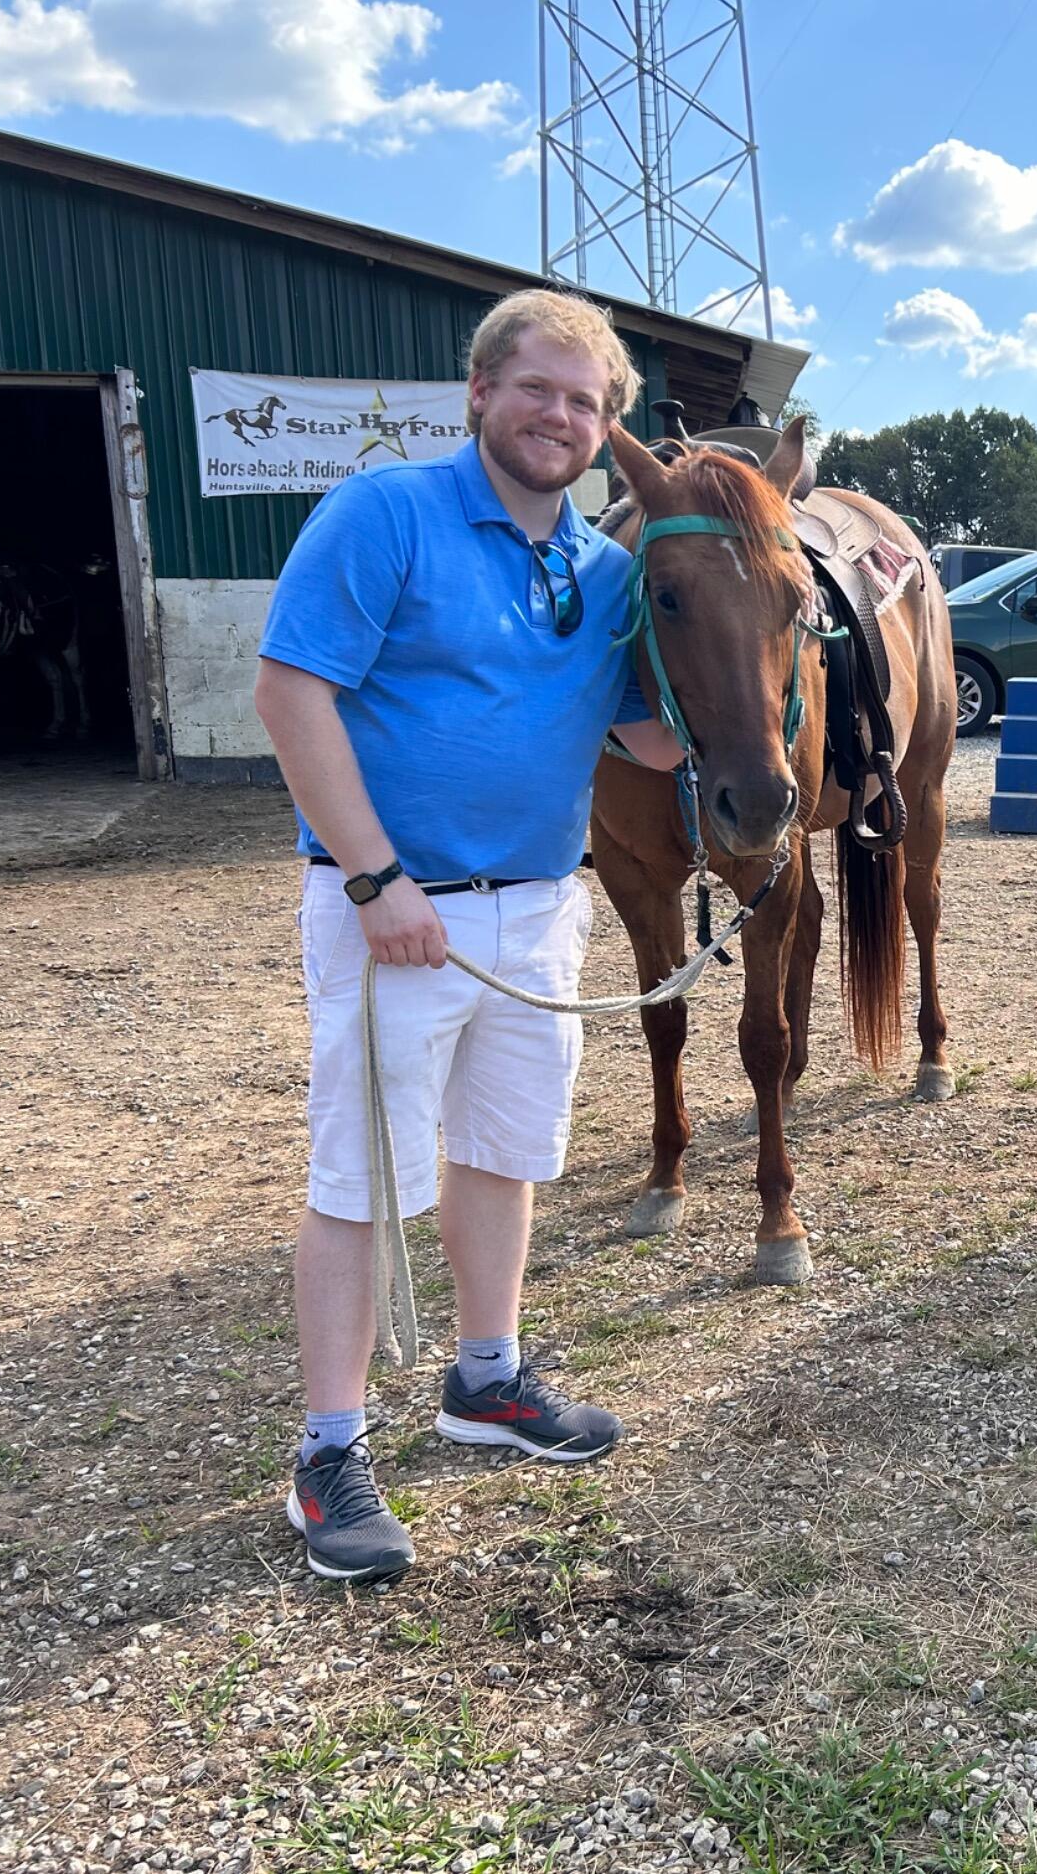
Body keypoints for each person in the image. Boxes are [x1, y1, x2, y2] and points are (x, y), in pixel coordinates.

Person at [253, 288, 680, 1584]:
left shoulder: (603, 575)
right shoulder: (387, 515)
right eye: (538, 389)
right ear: (480, 396)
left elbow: (648, 738)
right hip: (394, 910)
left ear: (608, 430)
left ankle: (484, 1379)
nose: (561, 416)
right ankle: (328, 1449)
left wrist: (755, 680)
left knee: (507, 1151)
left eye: (586, 401)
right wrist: (377, 879)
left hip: (539, 904)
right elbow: (289, 689)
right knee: (363, 1175)